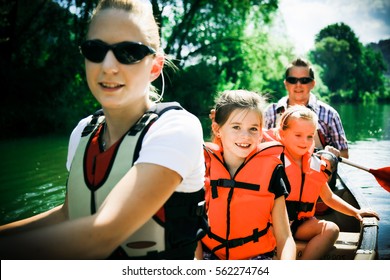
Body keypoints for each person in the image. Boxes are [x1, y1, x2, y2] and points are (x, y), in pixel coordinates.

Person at [0, 0, 205, 260]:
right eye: (95, 50)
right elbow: (68, 214)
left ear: (155, 66)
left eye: (129, 51)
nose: (108, 66)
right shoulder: (83, 131)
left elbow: (102, 235)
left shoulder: (178, 128)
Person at [265, 105, 379, 260]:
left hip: (300, 224)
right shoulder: (272, 162)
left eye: (310, 136)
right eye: (298, 135)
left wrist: (356, 212)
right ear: (282, 134)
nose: (304, 142)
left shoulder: (315, 164)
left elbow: (329, 197)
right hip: (273, 224)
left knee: (331, 229)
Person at [197, 90, 296, 260]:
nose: (245, 136)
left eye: (253, 129)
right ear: (217, 129)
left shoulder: (272, 171)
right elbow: (193, 232)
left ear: (260, 132)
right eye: (236, 127)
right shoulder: (201, 166)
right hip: (209, 254)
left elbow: (285, 238)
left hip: (256, 258)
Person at [264, 58, 348, 188]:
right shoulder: (270, 113)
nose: (298, 85)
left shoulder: (330, 114)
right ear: (286, 84)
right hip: (275, 183)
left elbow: (345, 155)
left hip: (316, 185)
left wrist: (330, 155)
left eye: (304, 80)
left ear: (312, 84)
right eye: (293, 80)